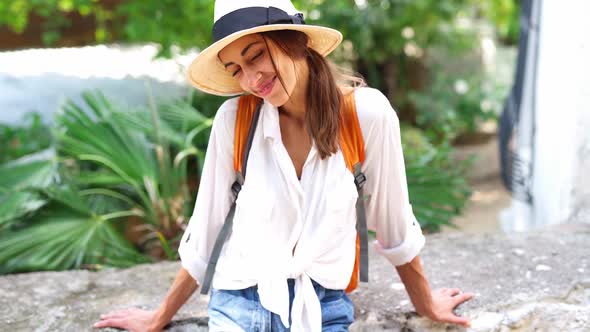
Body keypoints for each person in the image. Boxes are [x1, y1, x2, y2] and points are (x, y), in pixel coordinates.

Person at [94, 0, 474, 331]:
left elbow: (393, 222)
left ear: (294, 40)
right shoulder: (235, 121)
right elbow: (206, 232)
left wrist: (425, 304)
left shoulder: (366, 116)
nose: (250, 77)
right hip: (238, 303)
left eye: (255, 55)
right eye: (235, 69)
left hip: (322, 307)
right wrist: (159, 315)